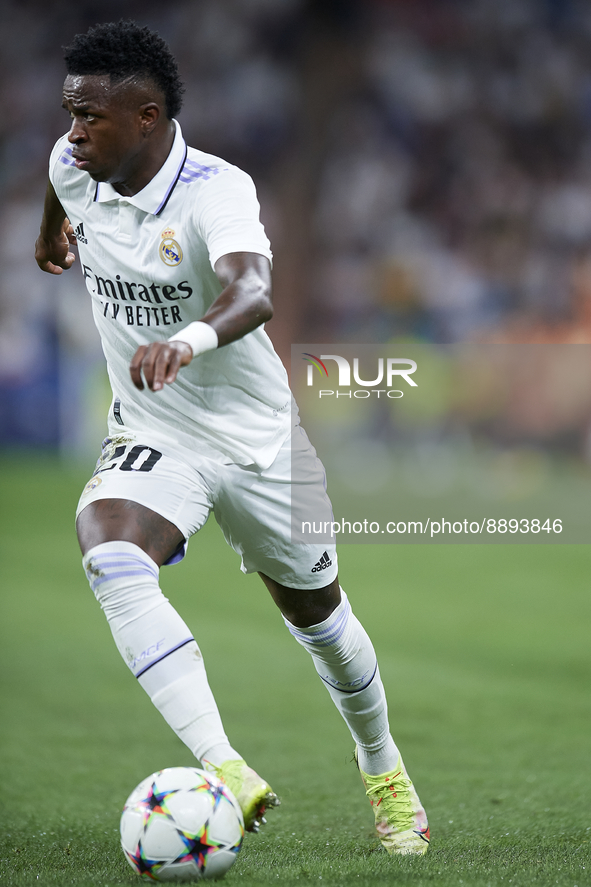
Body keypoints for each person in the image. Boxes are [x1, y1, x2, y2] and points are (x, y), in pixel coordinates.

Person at [35, 20, 429, 856]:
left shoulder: (216, 189)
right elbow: (59, 183)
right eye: (68, 114)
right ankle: (227, 767)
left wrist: (188, 339)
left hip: (257, 440)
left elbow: (253, 291)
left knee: (319, 618)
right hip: (155, 428)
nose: (71, 133)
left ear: (146, 117)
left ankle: (383, 767)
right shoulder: (73, 166)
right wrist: (49, 233)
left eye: (89, 117)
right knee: (108, 550)